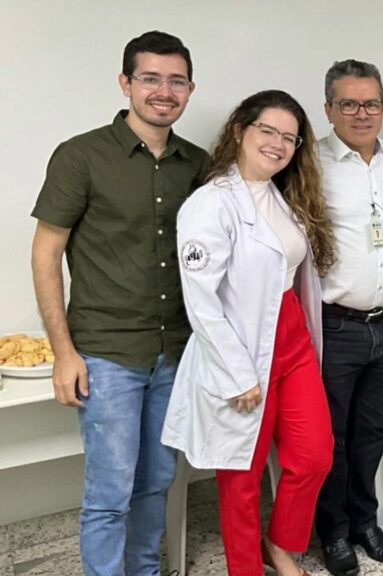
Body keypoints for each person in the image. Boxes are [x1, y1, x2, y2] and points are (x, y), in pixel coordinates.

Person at [30, 30, 207, 576]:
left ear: (190, 89)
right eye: (150, 78)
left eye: (176, 81)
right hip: (107, 354)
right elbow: (45, 255)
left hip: (175, 352)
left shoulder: (197, 164)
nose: (164, 91)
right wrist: (64, 353)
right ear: (125, 82)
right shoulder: (81, 156)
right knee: (109, 492)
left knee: (156, 481)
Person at [162, 90, 335, 576]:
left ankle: (279, 545)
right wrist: (236, 373)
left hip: (292, 343)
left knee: (314, 455)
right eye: (268, 131)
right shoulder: (209, 204)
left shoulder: (282, 195)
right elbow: (201, 300)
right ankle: (245, 569)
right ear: (239, 130)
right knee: (241, 477)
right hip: (240, 349)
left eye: (289, 138)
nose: (278, 144)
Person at [314, 60, 383, 575]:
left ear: (382, 106)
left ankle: (365, 522)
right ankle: (332, 532)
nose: (361, 113)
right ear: (329, 109)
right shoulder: (310, 163)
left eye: (370, 103)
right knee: (332, 437)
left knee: (373, 431)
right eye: (348, 103)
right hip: (337, 326)